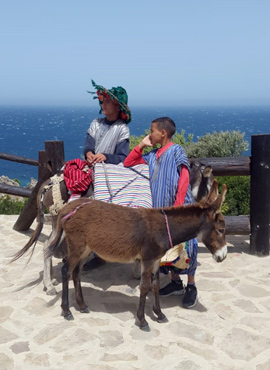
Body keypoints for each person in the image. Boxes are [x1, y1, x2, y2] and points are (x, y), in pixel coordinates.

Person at [124, 116, 198, 308]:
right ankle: (175, 283)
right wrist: (142, 144)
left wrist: (178, 207)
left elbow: (184, 176)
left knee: (188, 245)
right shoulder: (152, 155)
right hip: (160, 213)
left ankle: (191, 286)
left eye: (152, 130)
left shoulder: (176, 150)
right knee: (168, 247)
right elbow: (129, 163)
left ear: (163, 133)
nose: (149, 133)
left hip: (178, 209)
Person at [63, 79, 132, 270]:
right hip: (89, 168)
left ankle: (102, 251)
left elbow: (122, 157)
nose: (103, 104)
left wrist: (105, 157)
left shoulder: (122, 129)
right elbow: (87, 145)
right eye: (102, 101)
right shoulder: (95, 123)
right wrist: (89, 154)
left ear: (117, 106)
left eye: (107, 102)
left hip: (109, 173)